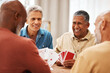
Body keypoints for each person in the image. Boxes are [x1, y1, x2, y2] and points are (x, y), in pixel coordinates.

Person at [0, 0, 51, 73]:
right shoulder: (24, 44)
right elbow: (45, 71)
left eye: (39, 19)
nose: (22, 26)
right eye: (23, 22)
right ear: (16, 16)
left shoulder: (47, 35)